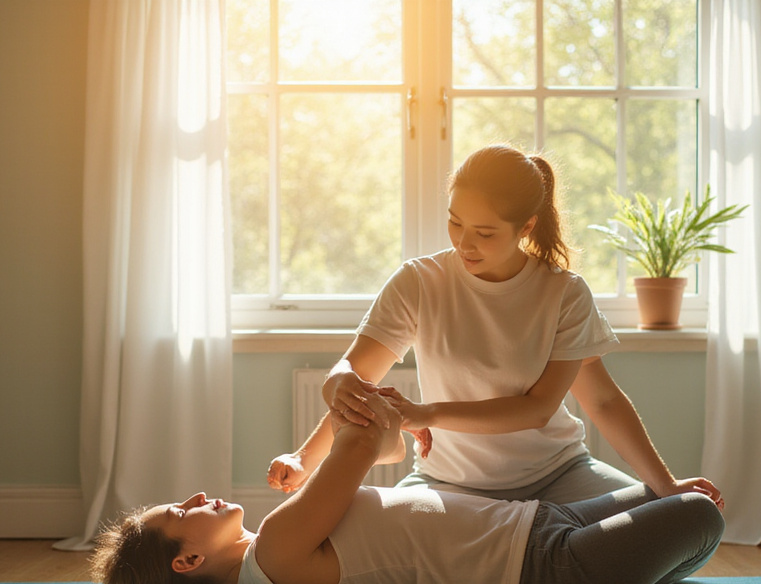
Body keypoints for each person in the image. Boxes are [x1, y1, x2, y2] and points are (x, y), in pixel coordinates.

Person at [268, 144, 724, 510]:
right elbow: (355, 373)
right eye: (454, 222)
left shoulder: (563, 293)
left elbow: (579, 403)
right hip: (448, 487)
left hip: (560, 478)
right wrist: (306, 453)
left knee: (692, 519)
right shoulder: (419, 282)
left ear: (525, 226)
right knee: (352, 540)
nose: (465, 243)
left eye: (485, 233)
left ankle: (538, 548)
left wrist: (666, 485)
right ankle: (543, 554)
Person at [92, 391, 724, 584]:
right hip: (546, 572)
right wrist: (348, 390)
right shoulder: (279, 553)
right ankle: (628, 575)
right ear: (188, 560)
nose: (196, 498)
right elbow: (366, 442)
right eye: (179, 511)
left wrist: (396, 426)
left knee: (668, 494)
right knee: (699, 514)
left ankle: (636, 569)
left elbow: (376, 454)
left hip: (534, 524)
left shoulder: (272, 556)